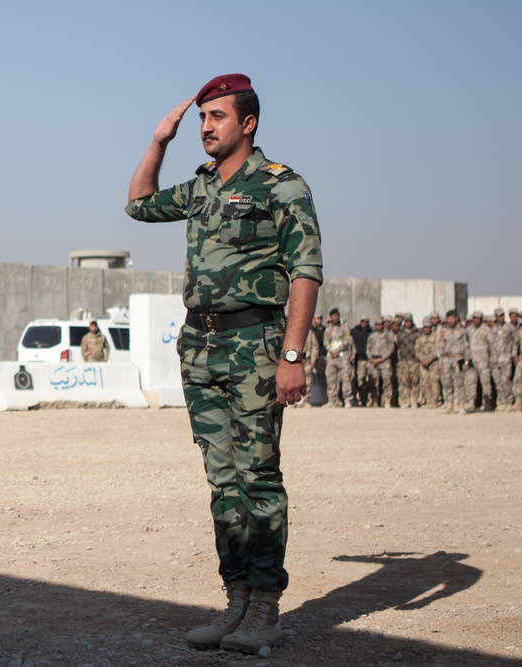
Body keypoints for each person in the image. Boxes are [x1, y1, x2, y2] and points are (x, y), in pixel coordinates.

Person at [125, 73, 322, 653]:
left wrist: (292, 355)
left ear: (248, 123)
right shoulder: (202, 186)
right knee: (222, 482)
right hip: (200, 348)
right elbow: (137, 205)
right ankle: (234, 602)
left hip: (255, 346)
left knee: (259, 478)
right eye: (203, 117)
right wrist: (160, 139)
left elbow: (305, 270)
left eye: (217, 117)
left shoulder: (282, 186)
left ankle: (265, 607)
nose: (205, 128)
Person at [437, 310, 470, 414]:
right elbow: (441, 347)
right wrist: (441, 362)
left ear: (456, 319)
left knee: (460, 383)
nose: (450, 321)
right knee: (447, 383)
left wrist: (466, 363)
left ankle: (461, 405)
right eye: (449, 319)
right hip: (447, 359)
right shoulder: (444, 331)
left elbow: (467, 347)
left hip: (458, 359)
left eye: (452, 318)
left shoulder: (462, 331)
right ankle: (450, 404)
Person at [324, 308, 355, 408]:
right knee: (331, 379)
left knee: (346, 378)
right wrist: (330, 350)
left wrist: (338, 350)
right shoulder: (328, 329)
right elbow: (325, 341)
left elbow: (347, 340)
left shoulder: (345, 327)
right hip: (331, 357)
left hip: (343, 356)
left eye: (336, 316)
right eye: (333, 317)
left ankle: (347, 399)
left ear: (339, 316)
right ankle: (332, 400)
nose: (334, 318)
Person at [366, 316, 395, 407]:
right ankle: (374, 400)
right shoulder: (372, 336)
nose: (379, 326)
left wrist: (381, 359)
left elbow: (391, 349)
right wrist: (371, 359)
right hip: (373, 361)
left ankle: (387, 400)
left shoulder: (388, 335)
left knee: (387, 380)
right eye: (377, 325)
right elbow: (368, 348)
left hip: (384, 361)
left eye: (380, 324)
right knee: (374, 382)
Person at [395, 314, 420, 409]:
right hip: (403, 360)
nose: (407, 323)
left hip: (414, 360)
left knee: (415, 381)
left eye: (409, 321)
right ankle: (406, 400)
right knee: (404, 381)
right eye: (406, 321)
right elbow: (397, 345)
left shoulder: (417, 333)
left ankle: (414, 400)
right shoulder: (400, 334)